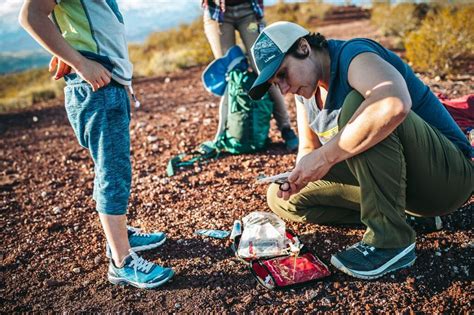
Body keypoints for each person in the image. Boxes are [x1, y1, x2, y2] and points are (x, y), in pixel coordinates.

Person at [248, 21, 473, 279]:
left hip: (447, 178)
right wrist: (299, 176)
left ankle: (390, 240)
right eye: (277, 83)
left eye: (283, 74)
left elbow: (392, 104)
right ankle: (408, 219)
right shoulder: (306, 93)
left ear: (303, 47)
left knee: (358, 108)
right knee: (281, 198)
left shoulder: (354, 55)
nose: (284, 89)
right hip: (404, 186)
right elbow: (309, 149)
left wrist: (325, 157)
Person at [19, 0, 174, 289]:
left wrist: (71, 52)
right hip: (96, 88)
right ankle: (121, 261)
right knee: (113, 172)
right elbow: (30, 15)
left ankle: (119, 237)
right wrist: (79, 62)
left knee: (111, 168)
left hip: (107, 86)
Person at [202, 0, 299, 151]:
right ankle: (226, 134)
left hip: (249, 14)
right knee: (230, 74)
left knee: (265, 70)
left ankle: (286, 129)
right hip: (218, 15)